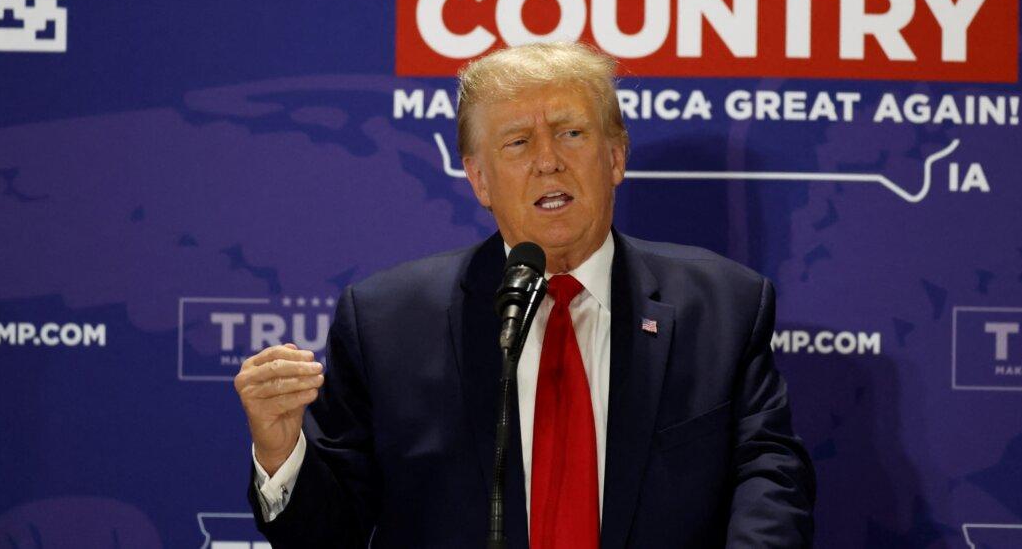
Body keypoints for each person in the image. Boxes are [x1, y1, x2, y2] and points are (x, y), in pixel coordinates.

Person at [234, 42, 816, 547]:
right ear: (479, 178)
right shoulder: (387, 323)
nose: (547, 161)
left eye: (571, 132)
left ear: (616, 156)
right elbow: (332, 533)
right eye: (516, 142)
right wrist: (283, 455)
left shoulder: (722, 306)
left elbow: (768, 479)